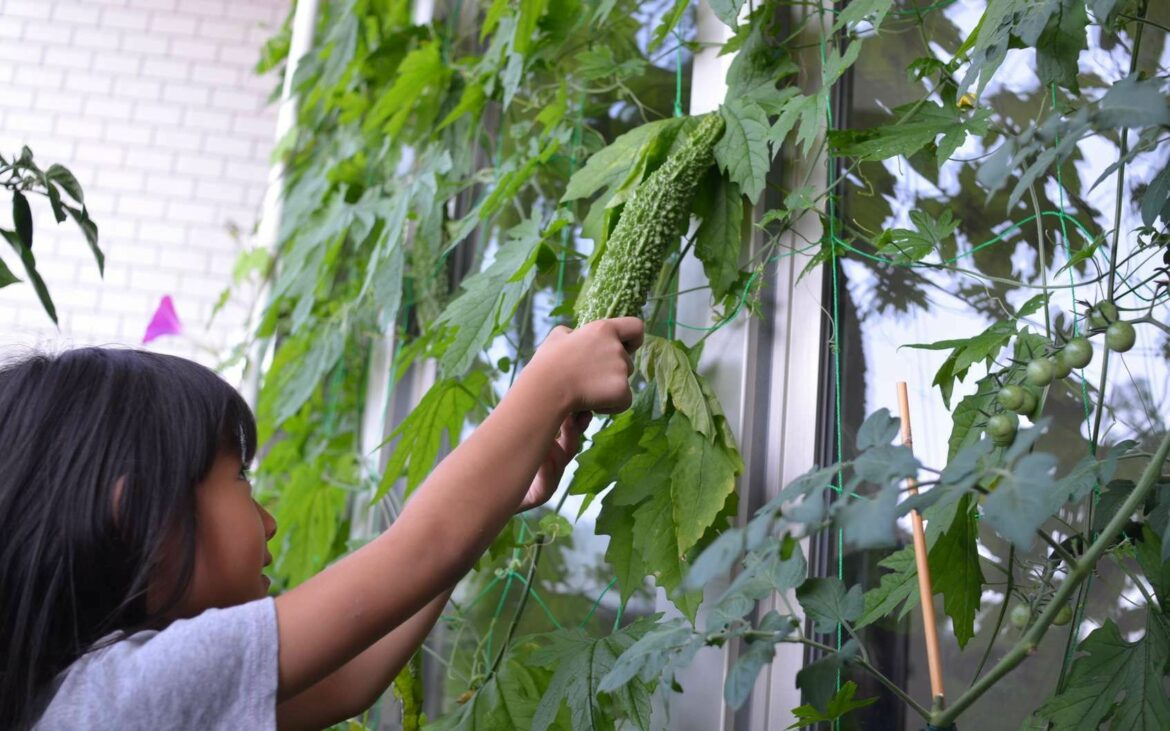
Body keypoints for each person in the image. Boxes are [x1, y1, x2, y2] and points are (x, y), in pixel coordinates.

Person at [0, 317, 645, 731]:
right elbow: (418, 549)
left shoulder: (81, 699)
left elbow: (348, 679)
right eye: (241, 480)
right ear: (142, 518)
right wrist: (550, 383)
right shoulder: (123, 700)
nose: (270, 521)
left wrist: (499, 497)